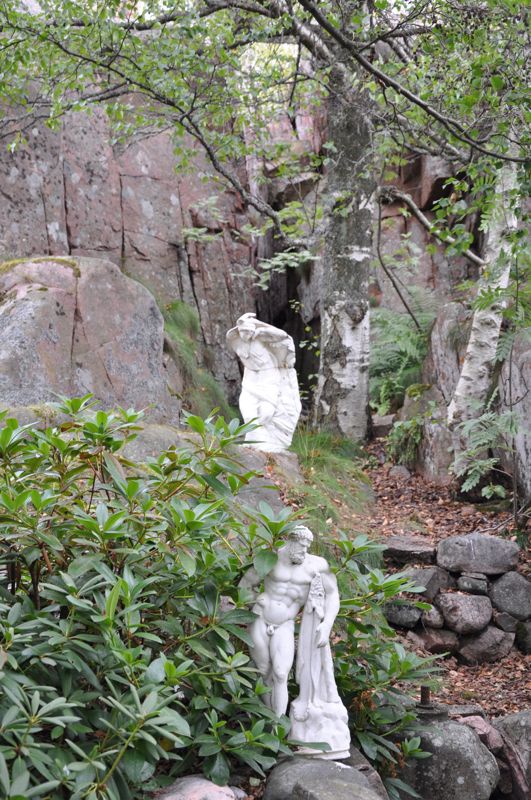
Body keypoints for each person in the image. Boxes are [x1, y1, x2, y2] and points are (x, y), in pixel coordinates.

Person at [240, 525, 350, 757]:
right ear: (290, 542)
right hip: (260, 618)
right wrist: (253, 601)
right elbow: (245, 584)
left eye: (307, 546)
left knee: (281, 673)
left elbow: (333, 594)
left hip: (286, 623)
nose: (304, 550)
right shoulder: (270, 559)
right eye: (300, 545)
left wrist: (327, 623)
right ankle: (265, 723)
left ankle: (279, 729)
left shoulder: (316, 565)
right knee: (263, 671)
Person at [226, 313, 301, 452]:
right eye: (243, 331)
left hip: (268, 378)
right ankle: (252, 439)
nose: (245, 334)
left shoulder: (261, 341)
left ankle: (267, 442)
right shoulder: (239, 344)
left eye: (248, 331)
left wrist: (262, 331)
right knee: (248, 412)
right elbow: (230, 336)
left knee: (266, 414)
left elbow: (283, 338)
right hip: (250, 379)